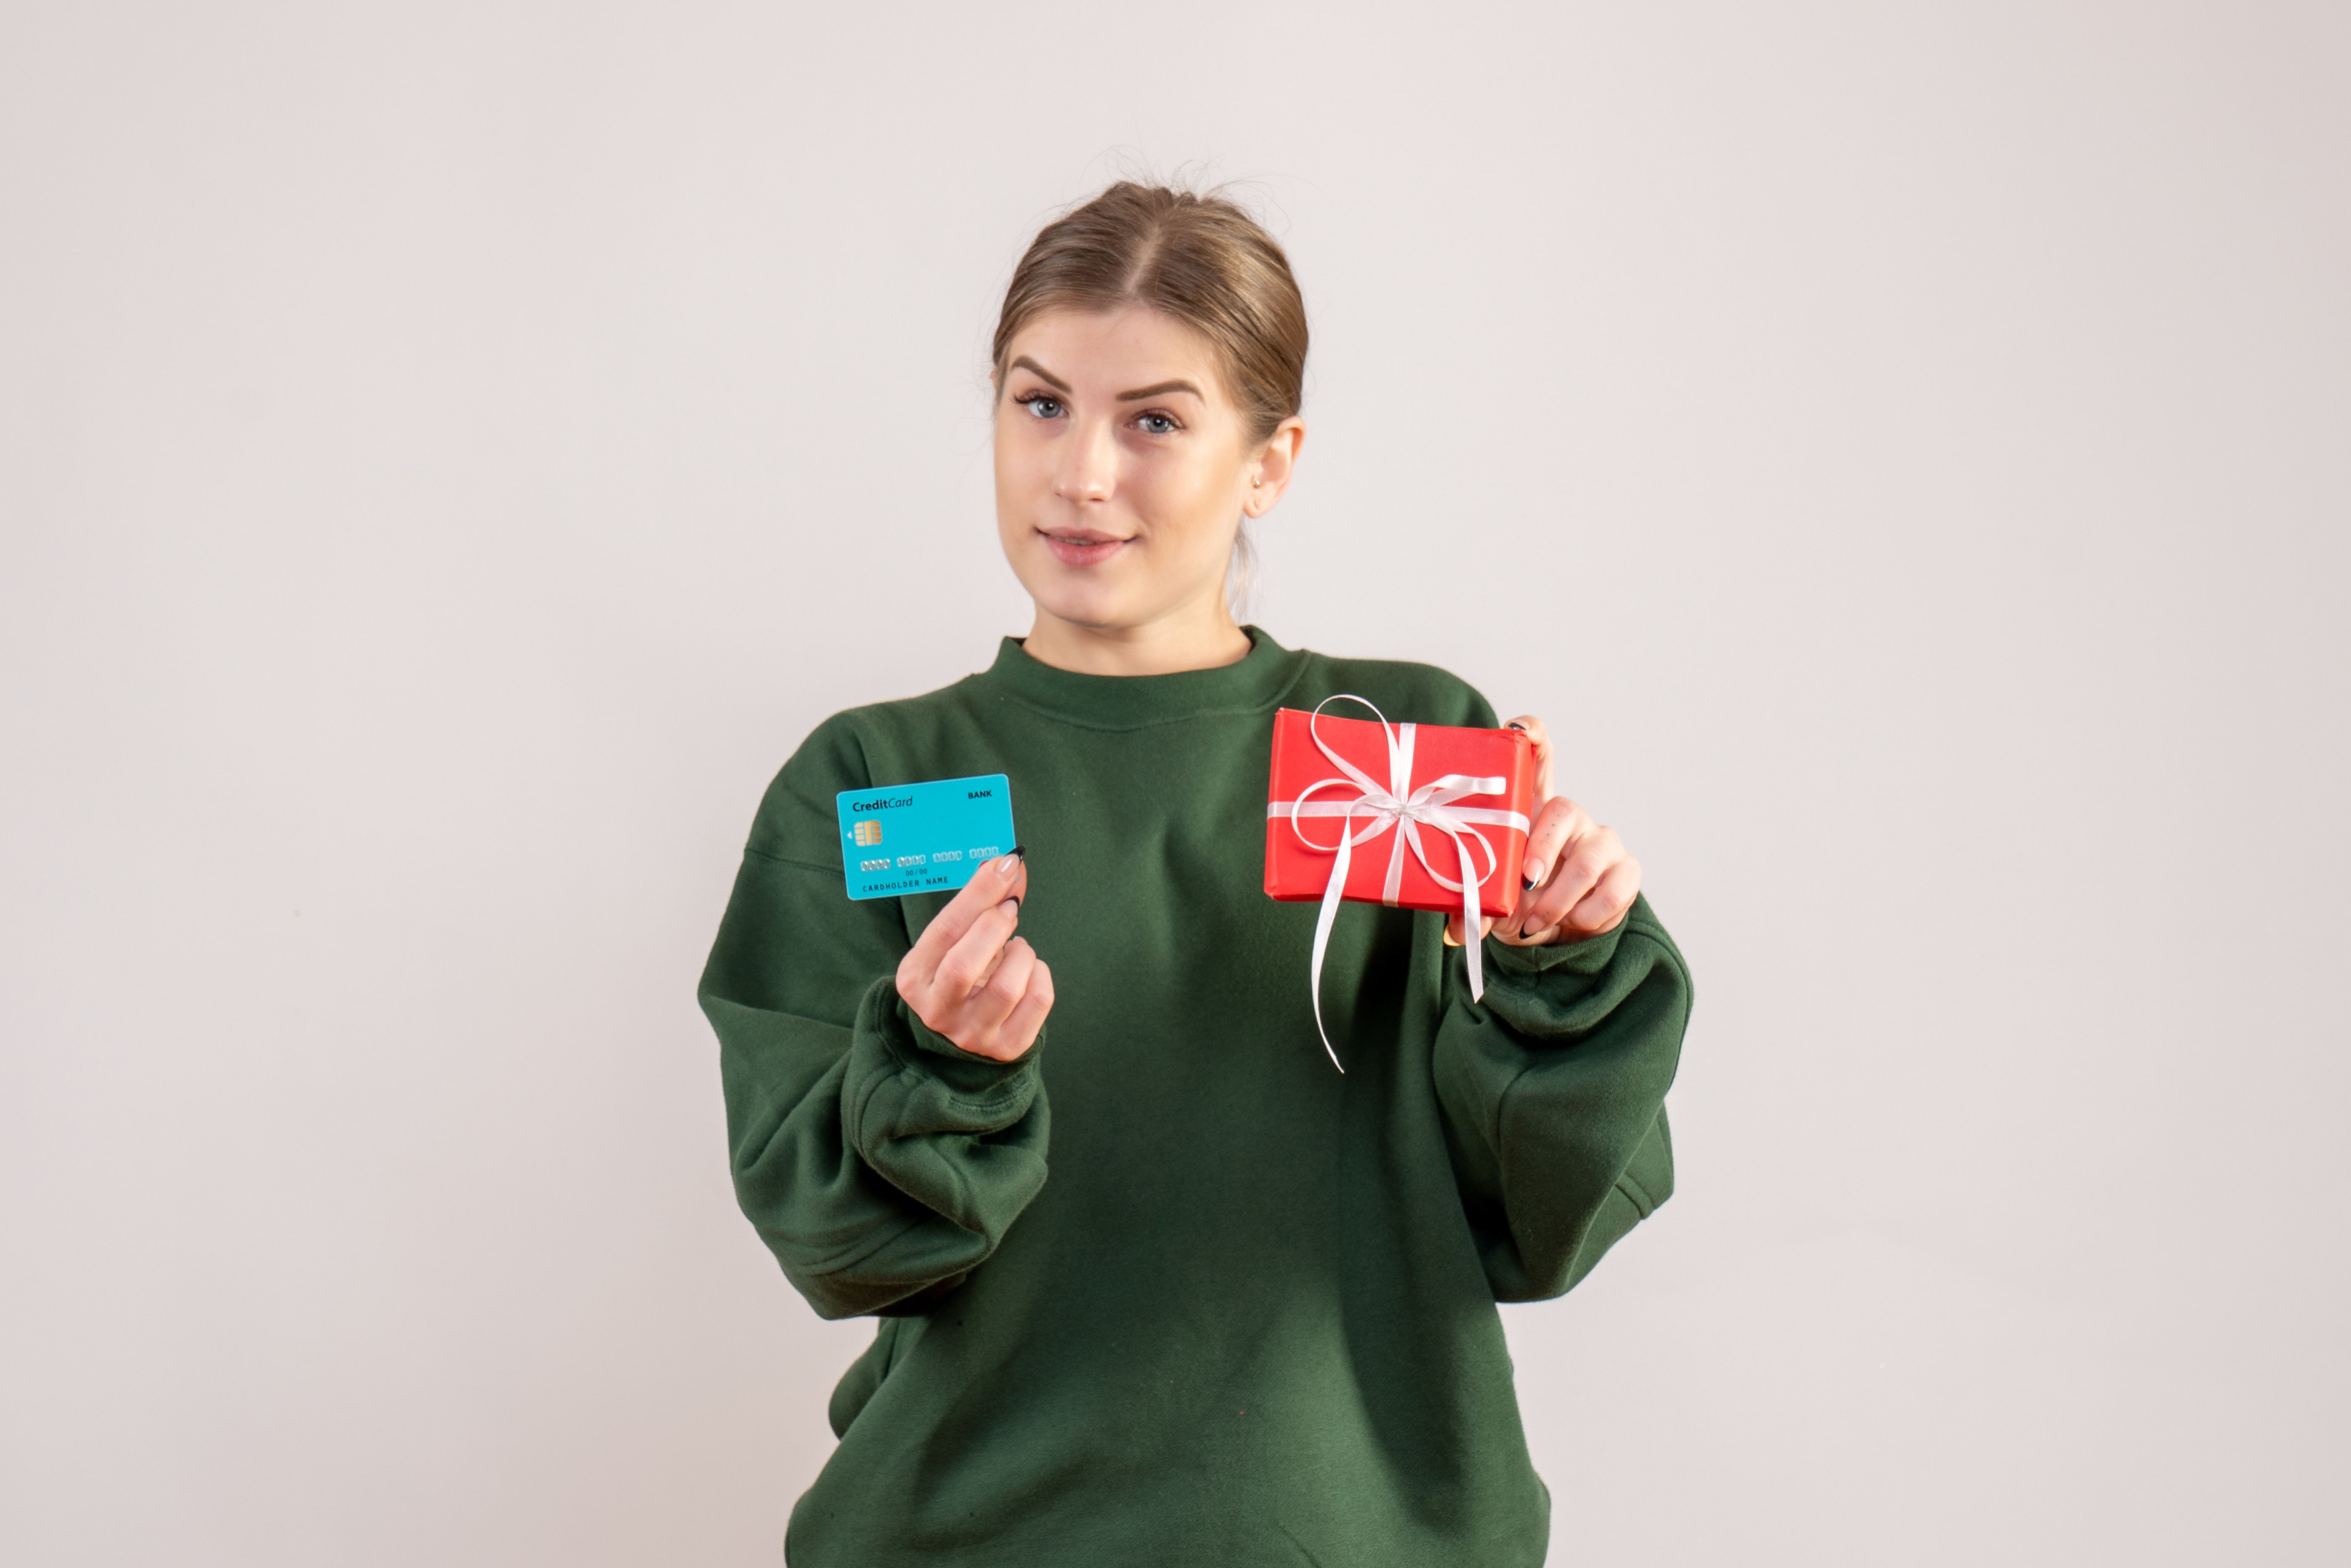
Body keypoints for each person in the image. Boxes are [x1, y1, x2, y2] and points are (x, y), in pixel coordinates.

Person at [699, 182, 1691, 1566]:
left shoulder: (1404, 754)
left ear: (1271, 462)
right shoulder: (875, 782)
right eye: (1039, 403)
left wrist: (1560, 961)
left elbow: (1543, 1223)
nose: (1082, 474)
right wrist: (946, 1068)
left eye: (1154, 420)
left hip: (1362, 1533)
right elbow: (839, 1244)